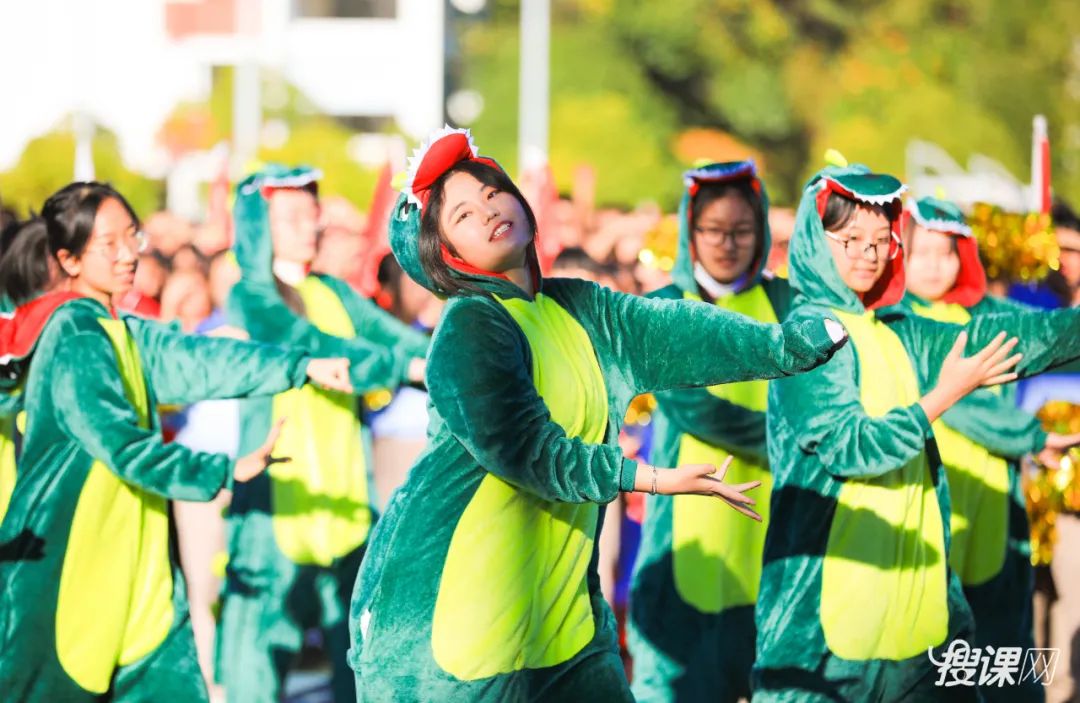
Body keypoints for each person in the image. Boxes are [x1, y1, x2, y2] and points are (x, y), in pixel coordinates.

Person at [346, 127, 848, 701]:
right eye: (462, 215)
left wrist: (782, 347)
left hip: (565, 624)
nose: (487, 211)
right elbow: (527, 450)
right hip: (462, 632)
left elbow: (677, 334)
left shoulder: (580, 306)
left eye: (492, 193)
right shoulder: (470, 324)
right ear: (447, 253)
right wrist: (650, 479)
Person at [0, 181, 353, 702]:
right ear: (68, 261)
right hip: (70, 578)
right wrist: (223, 470)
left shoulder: (121, 329)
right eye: (108, 244)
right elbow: (121, 445)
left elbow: (200, 360)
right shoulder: (73, 336)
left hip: (143, 582)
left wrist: (299, 367)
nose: (129, 255)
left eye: (133, 236)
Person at [753, 165, 1080, 702]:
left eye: (881, 240)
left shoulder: (898, 332)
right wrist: (946, 394)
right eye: (851, 239)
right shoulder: (806, 334)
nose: (868, 253)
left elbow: (1016, 335)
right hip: (833, 633)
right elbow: (851, 447)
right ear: (816, 240)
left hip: (920, 627)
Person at [217, 165, 430, 703]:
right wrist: (403, 368)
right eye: (292, 215)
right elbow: (304, 342)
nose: (311, 223)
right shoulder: (251, 296)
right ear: (257, 226)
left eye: (312, 211)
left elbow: (400, 339)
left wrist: (451, 356)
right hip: (275, 506)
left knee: (357, 660)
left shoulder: (333, 290)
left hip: (347, 498)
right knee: (257, 662)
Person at [901, 195, 1080, 701]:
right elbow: (954, 402)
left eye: (947, 251)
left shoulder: (991, 314)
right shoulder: (894, 321)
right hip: (930, 501)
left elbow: (1055, 338)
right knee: (933, 660)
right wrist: (1032, 437)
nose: (936, 265)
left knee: (1002, 657)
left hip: (997, 505)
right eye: (923, 252)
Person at [628, 160, 789, 702]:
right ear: (689, 232)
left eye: (741, 230)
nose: (727, 244)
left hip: (771, 534)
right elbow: (696, 410)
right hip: (682, 537)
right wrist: (791, 443)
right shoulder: (661, 310)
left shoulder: (788, 307)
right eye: (713, 231)